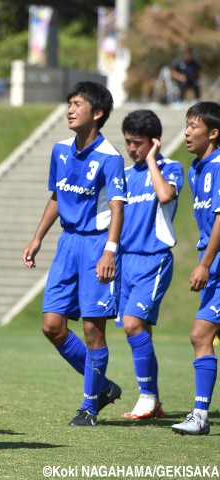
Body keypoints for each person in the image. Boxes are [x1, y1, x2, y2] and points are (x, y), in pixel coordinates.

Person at [22, 81, 127, 427]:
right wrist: (38, 237)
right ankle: (103, 386)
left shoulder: (110, 157)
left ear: (97, 113)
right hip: (67, 244)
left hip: (97, 245)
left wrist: (109, 252)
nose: (69, 109)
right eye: (69, 103)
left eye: (77, 104)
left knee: (93, 330)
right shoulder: (60, 150)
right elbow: (56, 197)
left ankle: (89, 406)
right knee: (51, 325)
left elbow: (117, 209)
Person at [118, 110, 183, 420]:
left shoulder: (171, 167)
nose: (133, 149)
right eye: (128, 142)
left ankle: (147, 396)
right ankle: (153, 402)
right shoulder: (126, 176)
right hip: (125, 261)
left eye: (139, 143)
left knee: (133, 324)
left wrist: (154, 159)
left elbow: (166, 195)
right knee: (140, 330)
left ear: (153, 142)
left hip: (154, 259)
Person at [171, 101, 220, 435]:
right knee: (201, 335)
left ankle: (200, 417)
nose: (186, 132)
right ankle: (200, 417)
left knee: (200, 334)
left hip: (216, 264)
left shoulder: (218, 166)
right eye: (186, 125)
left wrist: (204, 263)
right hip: (213, 263)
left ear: (213, 133)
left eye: (193, 126)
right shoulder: (195, 169)